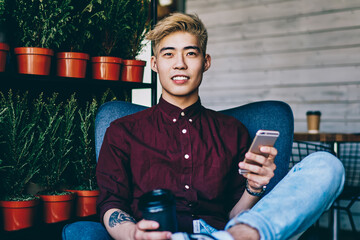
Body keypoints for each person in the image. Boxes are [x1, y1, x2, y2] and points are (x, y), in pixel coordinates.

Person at [62, 13, 344, 240]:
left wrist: (254, 188)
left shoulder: (233, 132)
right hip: (158, 236)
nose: (180, 64)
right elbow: (111, 205)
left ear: (205, 62)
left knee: (326, 165)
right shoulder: (123, 131)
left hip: (224, 232)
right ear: (154, 64)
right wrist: (133, 233)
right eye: (169, 54)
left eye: (191, 54)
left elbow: (236, 214)